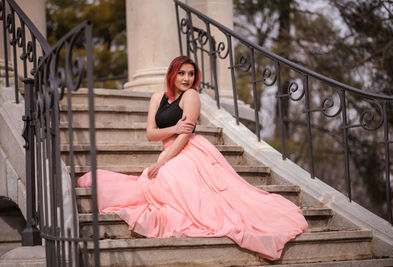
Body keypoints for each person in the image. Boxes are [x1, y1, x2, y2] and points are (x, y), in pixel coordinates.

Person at [78, 55, 308, 261]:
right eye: (182, 73)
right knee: (150, 182)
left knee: (168, 175)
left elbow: (185, 135)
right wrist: (173, 129)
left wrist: (164, 160)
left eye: (191, 74)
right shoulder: (157, 98)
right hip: (170, 149)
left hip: (189, 149)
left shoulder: (191, 96)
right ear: (172, 73)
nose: (187, 78)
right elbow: (150, 134)